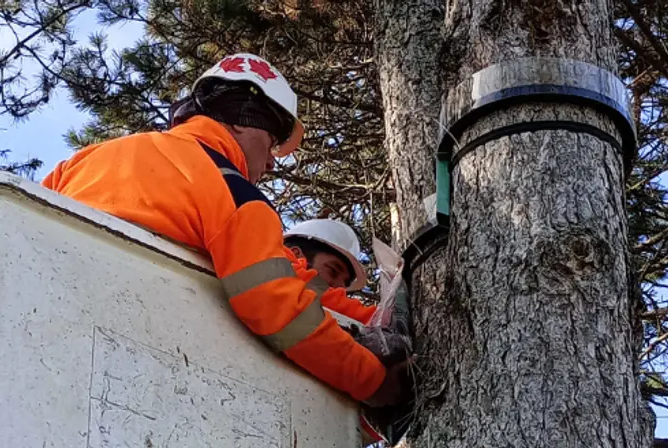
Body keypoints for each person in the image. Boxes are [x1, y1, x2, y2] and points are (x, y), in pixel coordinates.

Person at [42, 54, 406, 406]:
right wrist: (374, 381)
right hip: (139, 360)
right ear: (240, 122)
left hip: (45, 334)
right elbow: (276, 303)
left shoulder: (85, 159)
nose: (271, 163)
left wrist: (374, 319)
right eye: (272, 144)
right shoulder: (235, 194)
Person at [285, 218, 377, 325]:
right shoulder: (274, 271)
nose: (340, 289)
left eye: (344, 285)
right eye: (333, 271)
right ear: (295, 255)